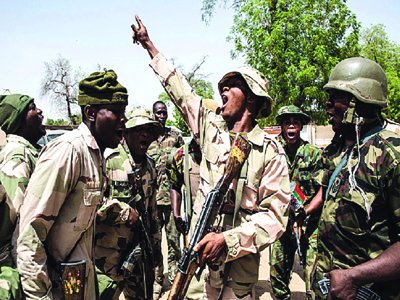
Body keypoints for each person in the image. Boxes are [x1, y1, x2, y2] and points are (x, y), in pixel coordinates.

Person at [131, 15, 290, 299]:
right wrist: (149, 46)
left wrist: (228, 241)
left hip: (238, 269)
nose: (223, 91)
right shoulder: (209, 128)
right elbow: (180, 91)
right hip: (198, 266)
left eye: (233, 85)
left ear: (252, 98)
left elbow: (275, 218)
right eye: (222, 87)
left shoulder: (270, 150)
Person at [16, 70, 128, 299]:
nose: (123, 120)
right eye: (116, 112)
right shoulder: (69, 151)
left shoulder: (95, 156)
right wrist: (39, 296)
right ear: (91, 113)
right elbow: (29, 235)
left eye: (123, 112)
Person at [311, 57, 400, 299]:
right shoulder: (337, 149)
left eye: (335, 97)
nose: (327, 105)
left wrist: (355, 277)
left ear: (359, 100)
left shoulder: (391, 156)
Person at [95, 107, 163, 299]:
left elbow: (152, 212)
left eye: (149, 130)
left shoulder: (151, 168)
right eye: (139, 129)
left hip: (138, 253)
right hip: (107, 255)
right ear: (126, 132)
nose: (145, 134)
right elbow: (92, 205)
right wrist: (122, 212)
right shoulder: (109, 162)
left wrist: (156, 249)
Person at [269, 105, 322, 300]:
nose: (291, 127)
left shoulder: (314, 154)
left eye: (295, 123)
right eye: (287, 123)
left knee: (314, 280)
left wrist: (305, 212)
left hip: (308, 227)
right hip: (283, 225)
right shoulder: (274, 152)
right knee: (276, 275)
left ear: (301, 127)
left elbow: (322, 191)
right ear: (282, 127)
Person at [0, 94, 46, 300]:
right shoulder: (17, 155)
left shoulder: (29, 152)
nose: (40, 112)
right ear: (19, 119)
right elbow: (14, 223)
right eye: (32, 108)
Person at [147, 100, 184, 298]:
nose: (161, 116)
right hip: (152, 202)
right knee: (154, 243)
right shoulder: (147, 137)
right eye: (158, 113)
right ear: (153, 114)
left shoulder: (176, 137)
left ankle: (176, 280)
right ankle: (158, 281)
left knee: (174, 242)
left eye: (164, 113)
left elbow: (184, 165)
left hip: (171, 202)